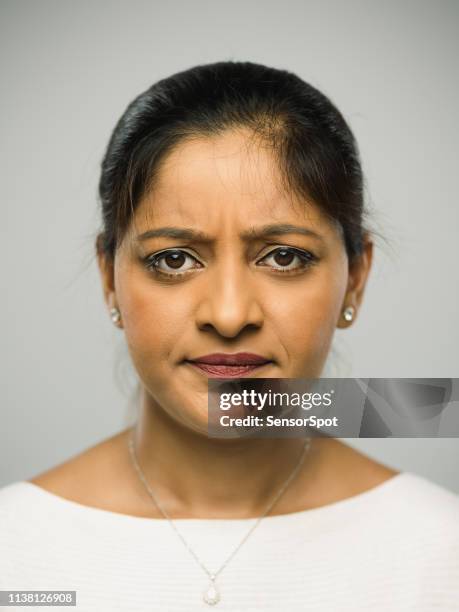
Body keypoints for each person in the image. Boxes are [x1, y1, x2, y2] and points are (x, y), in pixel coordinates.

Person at [1, 60, 458, 612]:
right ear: (109, 277)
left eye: (284, 256)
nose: (229, 313)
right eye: (173, 259)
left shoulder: (441, 552)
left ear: (356, 277)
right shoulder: (16, 551)